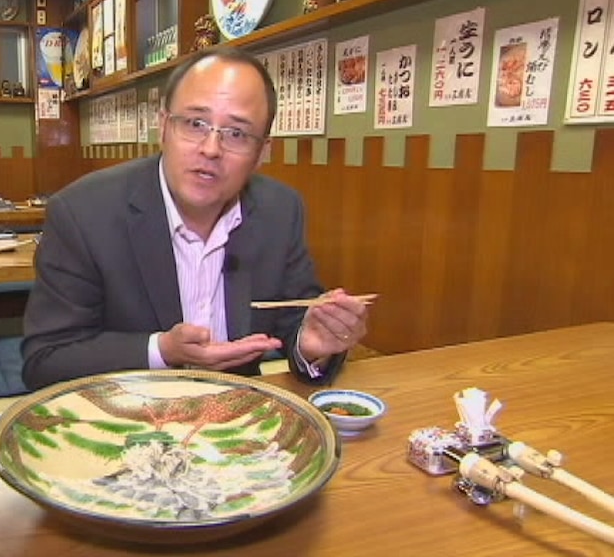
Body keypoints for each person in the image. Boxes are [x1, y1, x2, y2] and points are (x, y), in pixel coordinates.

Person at [21, 46, 370, 390]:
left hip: (237, 419)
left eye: (237, 133)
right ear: (163, 127)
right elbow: (46, 360)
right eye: (195, 123)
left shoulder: (281, 210)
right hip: (127, 419)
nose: (211, 149)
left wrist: (311, 345)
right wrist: (163, 350)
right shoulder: (83, 213)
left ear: (263, 152)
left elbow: (297, 317)